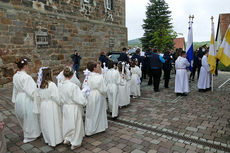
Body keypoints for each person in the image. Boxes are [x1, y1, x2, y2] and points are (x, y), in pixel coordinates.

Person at [12, 57, 41, 143]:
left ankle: (28, 132)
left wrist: (14, 99)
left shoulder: (15, 75)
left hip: (19, 98)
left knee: (24, 116)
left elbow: (15, 88)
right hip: (26, 99)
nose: (28, 67)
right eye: (27, 65)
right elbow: (31, 91)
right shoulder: (27, 77)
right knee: (30, 116)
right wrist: (37, 95)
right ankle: (31, 135)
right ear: (24, 66)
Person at [58, 67, 87, 150]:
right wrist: (84, 94)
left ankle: (67, 138)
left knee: (67, 123)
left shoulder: (61, 85)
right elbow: (79, 99)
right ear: (72, 75)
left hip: (65, 107)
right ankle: (75, 143)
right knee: (76, 125)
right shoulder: (73, 86)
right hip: (73, 107)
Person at [35, 67, 63, 147]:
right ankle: (55, 140)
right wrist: (60, 102)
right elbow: (56, 97)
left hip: (43, 105)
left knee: (46, 123)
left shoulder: (40, 84)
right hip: (51, 105)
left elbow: (38, 96)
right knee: (53, 121)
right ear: (49, 74)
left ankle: (48, 139)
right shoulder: (51, 85)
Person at [84, 61, 108, 135]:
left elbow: (84, 86)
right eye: (97, 67)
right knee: (98, 111)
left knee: (90, 112)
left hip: (89, 94)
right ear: (94, 68)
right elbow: (103, 89)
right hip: (97, 95)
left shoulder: (87, 76)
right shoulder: (99, 77)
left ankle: (89, 129)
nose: (98, 68)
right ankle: (97, 128)